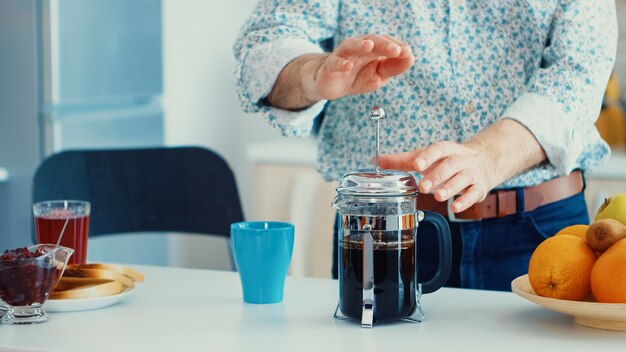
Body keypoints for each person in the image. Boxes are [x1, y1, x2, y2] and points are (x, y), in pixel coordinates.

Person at [233, 1, 618, 291]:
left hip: (546, 236)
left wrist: (489, 157)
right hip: (383, 231)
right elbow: (265, 42)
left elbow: (580, 69)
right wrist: (314, 73)